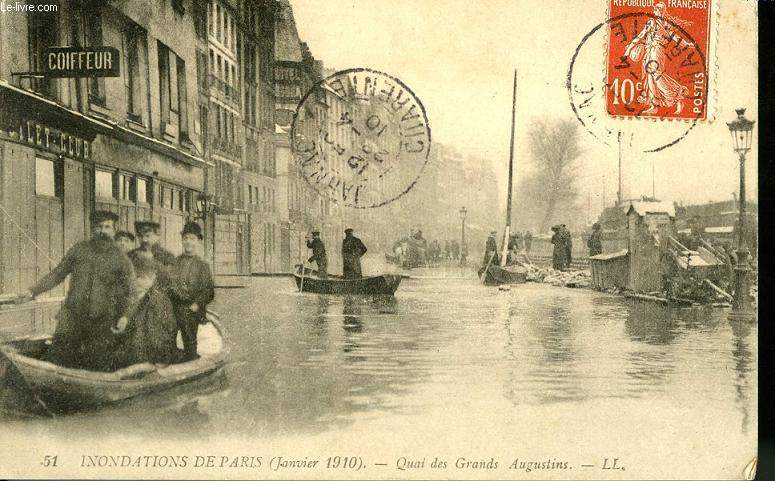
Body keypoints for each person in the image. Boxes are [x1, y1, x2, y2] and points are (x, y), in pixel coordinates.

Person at [17, 211, 135, 371]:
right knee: (57, 357)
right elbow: (57, 274)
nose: (102, 231)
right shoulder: (79, 250)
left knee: (97, 364)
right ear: (92, 229)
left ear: (114, 230)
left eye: (107, 227)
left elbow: (130, 292)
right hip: (72, 315)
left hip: (102, 320)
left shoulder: (121, 259)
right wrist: (32, 292)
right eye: (98, 226)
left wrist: (124, 316)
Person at [112, 257, 180, 368]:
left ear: (152, 278)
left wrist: (160, 359)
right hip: (137, 352)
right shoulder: (137, 297)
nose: (136, 282)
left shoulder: (157, 300)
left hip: (150, 358)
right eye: (133, 278)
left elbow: (161, 334)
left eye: (140, 277)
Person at [166, 222, 215, 361]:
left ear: (198, 241)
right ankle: (172, 363)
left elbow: (208, 291)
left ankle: (191, 360)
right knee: (168, 337)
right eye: (186, 238)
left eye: (192, 239)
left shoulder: (202, 265)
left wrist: (197, 304)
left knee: (189, 339)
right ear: (182, 240)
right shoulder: (175, 262)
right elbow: (169, 284)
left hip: (191, 309)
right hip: (174, 307)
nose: (188, 242)